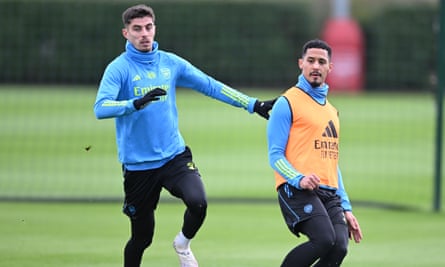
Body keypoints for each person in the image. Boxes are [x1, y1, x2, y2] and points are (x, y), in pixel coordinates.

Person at [93, 4, 274, 267]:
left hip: (173, 157)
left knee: (198, 203)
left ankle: (182, 243)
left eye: (148, 27)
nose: (144, 34)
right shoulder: (118, 69)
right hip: (138, 166)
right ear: (126, 33)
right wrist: (134, 103)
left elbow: (209, 85)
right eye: (137, 29)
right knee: (142, 238)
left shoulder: (170, 62)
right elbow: (100, 108)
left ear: (155, 28)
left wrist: (252, 104)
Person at [266, 39, 363, 267]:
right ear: (301, 64)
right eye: (311, 61)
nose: (316, 66)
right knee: (324, 240)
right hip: (296, 189)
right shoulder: (286, 102)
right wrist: (298, 179)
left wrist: (346, 207)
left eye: (322, 62)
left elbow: (332, 163)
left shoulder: (332, 111)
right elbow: (275, 155)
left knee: (339, 246)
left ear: (330, 67)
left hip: (329, 194)